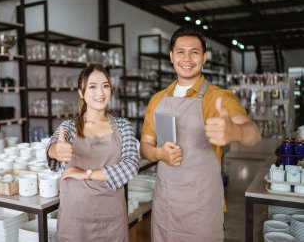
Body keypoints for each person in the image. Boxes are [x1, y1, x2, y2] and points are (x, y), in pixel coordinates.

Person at [140, 26, 261, 242]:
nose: (187, 58)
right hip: (165, 204)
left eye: (194, 52)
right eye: (180, 52)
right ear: (171, 56)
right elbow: (145, 146)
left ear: (204, 57)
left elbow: (253, 135)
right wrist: (159, 154)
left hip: (201, 206)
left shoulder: (219, 98)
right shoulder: (157, 99)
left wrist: (236, 131)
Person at [46, 65, 139, 242]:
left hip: (111, 217)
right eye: (92, 87)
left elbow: (131, 166)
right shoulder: (69, 127)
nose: (100, 92)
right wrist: (55, 151)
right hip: (75, 217)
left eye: (105, 86)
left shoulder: (123, 125)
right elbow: (53, 148)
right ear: (81, 93)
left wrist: (86, 174)